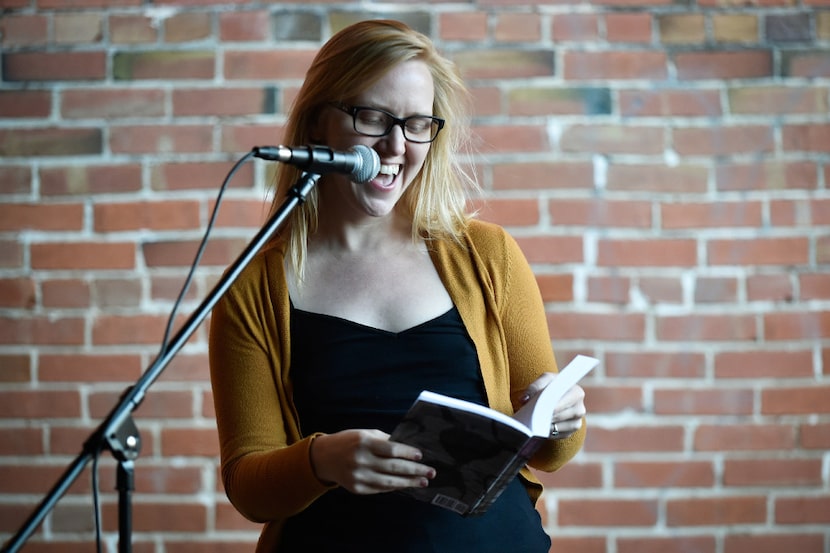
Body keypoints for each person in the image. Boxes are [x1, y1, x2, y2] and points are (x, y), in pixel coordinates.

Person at [208, 19, 587, 553]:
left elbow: (549, 450)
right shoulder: (254, 286)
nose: (395, 145)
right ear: (320, 123)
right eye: (373, 117)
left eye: (416, 124)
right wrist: (321, 461)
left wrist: (562, 417)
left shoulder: (486, 255)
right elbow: (248, 487)